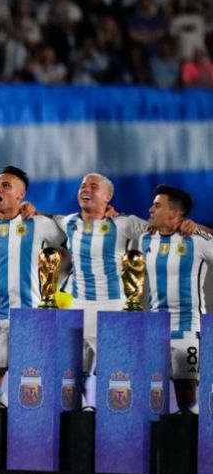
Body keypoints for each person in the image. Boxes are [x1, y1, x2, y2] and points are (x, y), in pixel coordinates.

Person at [0, 166, 65, 404]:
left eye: (6, 186)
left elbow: (72, 232)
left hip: (29, 316)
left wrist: (40, 211)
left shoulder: (39, 224)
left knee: (32, 385)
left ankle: (33, 435)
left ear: (21, 196)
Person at [54, 173, 149, 407]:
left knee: (117, 376)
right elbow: (39, 217)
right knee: (69, 374)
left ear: (107, 197)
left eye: (93, 186)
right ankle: (80, 422)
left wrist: (194, 227)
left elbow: (161, 230)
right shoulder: (69, 223)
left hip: (112, 309)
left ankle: (117, 430)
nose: (86, 189)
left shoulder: (124, 223)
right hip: (76, 309)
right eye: (83, 185)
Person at [140, 185, 213, 413]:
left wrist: (202, 227)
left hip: (187, 328)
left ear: (174, 214)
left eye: (157, 205)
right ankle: (158, 447)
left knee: (187, 397)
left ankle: (191, 446)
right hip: (154, 328)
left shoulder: (197, 239)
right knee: (152, 397)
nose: (151, 209)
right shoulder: (145, 237)